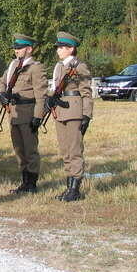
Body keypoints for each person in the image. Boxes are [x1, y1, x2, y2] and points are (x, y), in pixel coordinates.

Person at [0, 34, 48, 194]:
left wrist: (38, 116)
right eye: (15, 48)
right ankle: (24, 181)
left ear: (29, 49)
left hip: (28, 113)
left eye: (20, 48)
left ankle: (32, 183)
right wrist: (1, 94)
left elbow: (41, 95)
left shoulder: (35, 68)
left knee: (30, 150)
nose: (16, 50)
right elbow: (1, 82)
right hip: (14, 114)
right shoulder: (13, 65)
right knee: (19, 149)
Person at [47, 31, 93, 202]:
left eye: (61, 47)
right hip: (60, 111)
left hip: (74, 111)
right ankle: (69, 188)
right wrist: (50, 99)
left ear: (71, 48)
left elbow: (86, 92)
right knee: (65, 150)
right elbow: (55, 88)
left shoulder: (79, 66)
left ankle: (75, 190)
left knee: (74, 150)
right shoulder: (59, 66)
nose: (58, 50)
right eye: (58, 47)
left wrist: (86, 114)